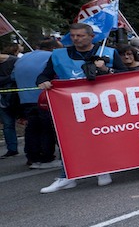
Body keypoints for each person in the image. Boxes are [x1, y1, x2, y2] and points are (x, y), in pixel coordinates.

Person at [37, 23, 119, 192]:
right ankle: (67, 175)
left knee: (100, 137)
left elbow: (125, 74)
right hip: (69, 106)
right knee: (67, 139)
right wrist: (42, 81)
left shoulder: (108, 52)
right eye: (73, 35)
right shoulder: (58, 55)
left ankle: (102, 170)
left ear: (91, 37)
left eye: (80, 35)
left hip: (102, 104)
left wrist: (105, 69)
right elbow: (44, 74)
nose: (75, 39)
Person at [14, 37, 59, 168]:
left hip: (25, 99)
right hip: (44, 99)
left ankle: (32, 157)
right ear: (54, 48)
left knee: (32, 129)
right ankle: (47, 157)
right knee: (47, 129)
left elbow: (12, 76)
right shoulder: (52, 56)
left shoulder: (23, 57)